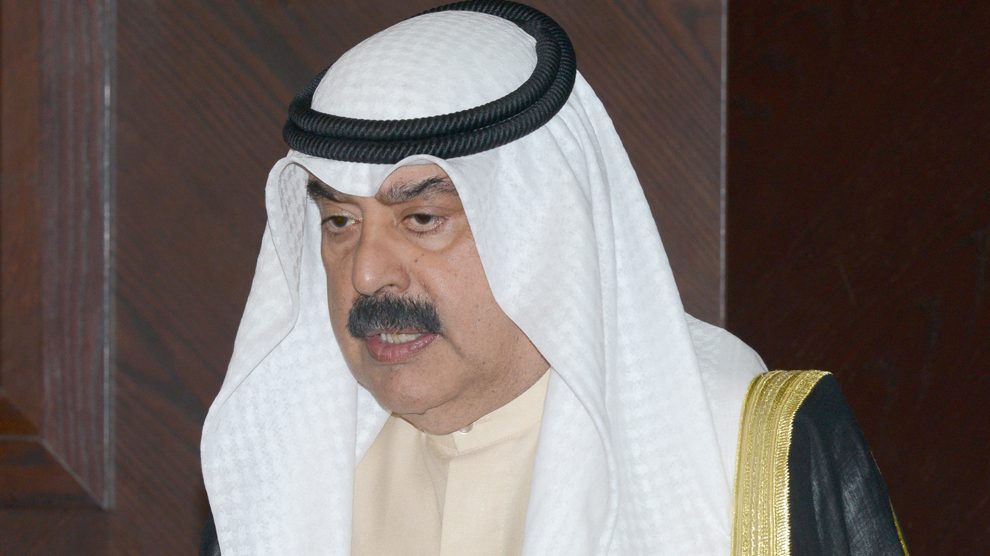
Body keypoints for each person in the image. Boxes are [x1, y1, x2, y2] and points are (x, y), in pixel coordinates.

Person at [200, 1, 906, 554]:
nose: (366, 273)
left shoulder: (748, 449)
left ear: (542, 227)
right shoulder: (274, 471)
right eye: (339, 222)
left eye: (421, 220)